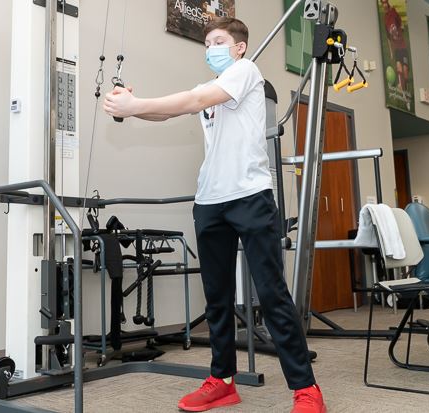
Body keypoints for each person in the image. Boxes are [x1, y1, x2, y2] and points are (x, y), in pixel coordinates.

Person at [103, 17, 325, 413]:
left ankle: (306, 389)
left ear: (239, 47)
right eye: (206, 44)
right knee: (217, 297)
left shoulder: (246, 71)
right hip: (210, 201)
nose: (211, 49)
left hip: (250, 196)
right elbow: (172, 111)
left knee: (271, 293)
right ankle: (223, 380)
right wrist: (133, 109)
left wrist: (136, 105)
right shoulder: (211, 87)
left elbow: (193, 102)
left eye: (218, 41)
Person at [381, 0, 409, 95]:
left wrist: (401, 28)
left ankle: (405, 86)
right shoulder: (385, 19)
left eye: (385, 2)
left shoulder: (393, 12)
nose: (384, 5)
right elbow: (388, 38)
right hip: (396, 48)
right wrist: (391, 52)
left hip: (403, 47)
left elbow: (401, 23)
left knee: (405, 72)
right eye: (383, 3)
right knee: (399, 68)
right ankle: (401, 88)